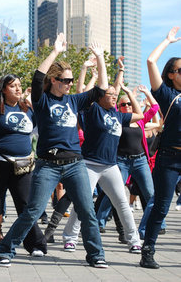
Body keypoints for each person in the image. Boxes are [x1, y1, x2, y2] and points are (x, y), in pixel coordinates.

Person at [0, 33, 108, 268]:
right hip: (48, 165)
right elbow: (38, 77)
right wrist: (55, 51)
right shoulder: (42, 100)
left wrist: (99, 58)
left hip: (75, 164)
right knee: (33, 210)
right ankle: (6, 249)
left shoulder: (74, 101)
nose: (69, 83)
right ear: (54, 80)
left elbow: (101, 89)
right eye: (65, 80)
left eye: (70, 80)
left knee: (87, 210)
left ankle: (96, 255)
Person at [61, 46, 144, 253]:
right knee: (84, 203)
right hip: (88, 164)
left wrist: (125, 89)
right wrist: (94, 63)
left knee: (122, 203)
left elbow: (141, 115)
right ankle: (70, 238)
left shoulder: (118, 115)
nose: (114, 97)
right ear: (99, 97)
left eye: (116, 95)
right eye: (110, 95)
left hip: (110, 166)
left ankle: (134, 241)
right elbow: (82, 91)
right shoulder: (93, 110)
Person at [0, 74, 47, 257]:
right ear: (4, 89)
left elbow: (37, 130)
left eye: (19, 85)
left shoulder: (26, 108)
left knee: (26, 205)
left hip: (21, 165)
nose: (18, 89)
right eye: (13, 86)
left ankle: (35, 244)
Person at [140, 26, 181, 269]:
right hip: (169, 158)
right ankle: (148, 251)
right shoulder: (167, 95)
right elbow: (150, 60)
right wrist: (167, 41)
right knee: (162, 206)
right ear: (171, 75)